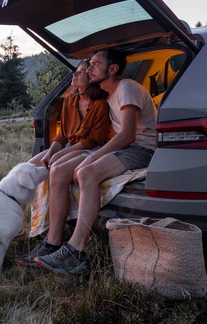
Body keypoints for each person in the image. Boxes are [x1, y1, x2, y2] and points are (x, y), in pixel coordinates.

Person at [21, 47, 158, 275]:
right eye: (90, 64)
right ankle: (53, 243)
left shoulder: (127, 88)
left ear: (113, 69)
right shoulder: (111, 94)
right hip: (124, 148)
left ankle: (75, 251)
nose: (89, 69)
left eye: (95, 64)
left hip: (140, 150)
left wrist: (92, 157)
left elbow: (128, 136)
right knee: (60, 172)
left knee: (87, 173)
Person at [29, 59, 110, 169]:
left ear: (91, 77)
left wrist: (60, 154)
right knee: (27, 167)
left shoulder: (100, 104)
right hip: (69, 147)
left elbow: (93, 141)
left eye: (81, 72)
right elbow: (62, 135)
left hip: (90, 150)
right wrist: (50, 153)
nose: (74, 74)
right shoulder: (69, 100)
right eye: (75, 71)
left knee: (55, 166)